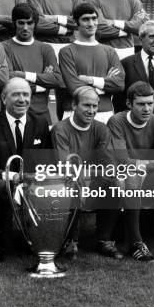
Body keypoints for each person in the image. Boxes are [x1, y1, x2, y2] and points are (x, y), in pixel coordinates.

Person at [0, 77, 52, 260]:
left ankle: (38, 239)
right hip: (4, 181)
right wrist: (15, 177)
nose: (22, 99)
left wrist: (33, 178)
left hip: (33, 181)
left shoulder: (41, 123)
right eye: (16, 94)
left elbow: (48, 162)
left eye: (26, 94)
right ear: (4, 98)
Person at [107, 81, 154, 262]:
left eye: (150, 103)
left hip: (146, 171)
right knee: (132, 175)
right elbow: (122, 161)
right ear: (129, 104)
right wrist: (153, 165)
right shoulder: (117, 121)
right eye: (141, 104)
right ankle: (135, 242)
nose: (147, 108)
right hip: (121, 176)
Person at [50, 86, 120, 260]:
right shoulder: (60, 129)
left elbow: (108, 165)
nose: (91, 111)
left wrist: (89, 174)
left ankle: (104, 239)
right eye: (86, 105)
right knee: (73, 181)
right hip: (65, 183)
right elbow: (64, 165)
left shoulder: (102, 129)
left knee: (114, 182)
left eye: (95, 106)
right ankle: (70, 241)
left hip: (91, 180)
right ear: (74, 105)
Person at [58, 2, 124, 124]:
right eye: (85, 19)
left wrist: (91, 80)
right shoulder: (66, 52)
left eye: (94, 18)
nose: (91, 23)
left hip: (105, 113)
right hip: (75, 113)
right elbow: (74, 88)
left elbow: (119, 84)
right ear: (76, 23)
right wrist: (105, 84)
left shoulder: (109, 51)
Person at [2, 3, 62, 124]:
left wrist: (23, 75)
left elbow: (57, 80)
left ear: (35, 24)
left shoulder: (46, 49)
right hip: (13, 117)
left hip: (42, 117)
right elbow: (8, 80)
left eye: (29, 23)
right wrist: (43, 85)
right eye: (21, 23)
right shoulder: (3, 47)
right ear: (14, 23)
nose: (25, 27)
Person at [113, 20, 154, 123]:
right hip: (134, 124)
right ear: (141, 38)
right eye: (152, 36)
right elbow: (118, 101)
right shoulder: (126, 64)